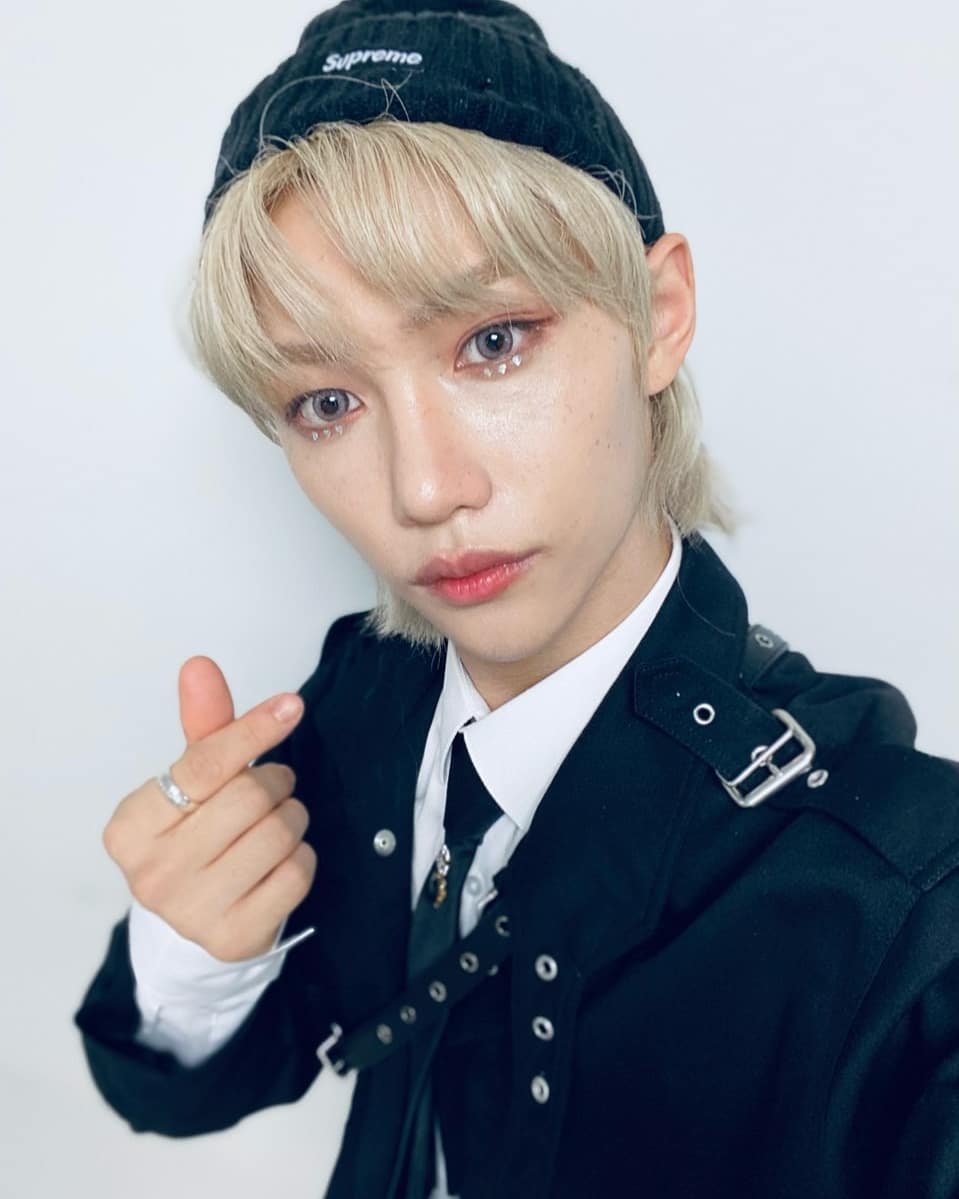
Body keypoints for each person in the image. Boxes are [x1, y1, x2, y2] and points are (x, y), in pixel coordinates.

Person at [73, 2, 959, 1197]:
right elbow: (193, 1085)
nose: (423, 487)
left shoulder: (907, 897)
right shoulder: (359, 705)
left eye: (492, 341)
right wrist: (190, 950)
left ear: (659, 317)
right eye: (325, 402)